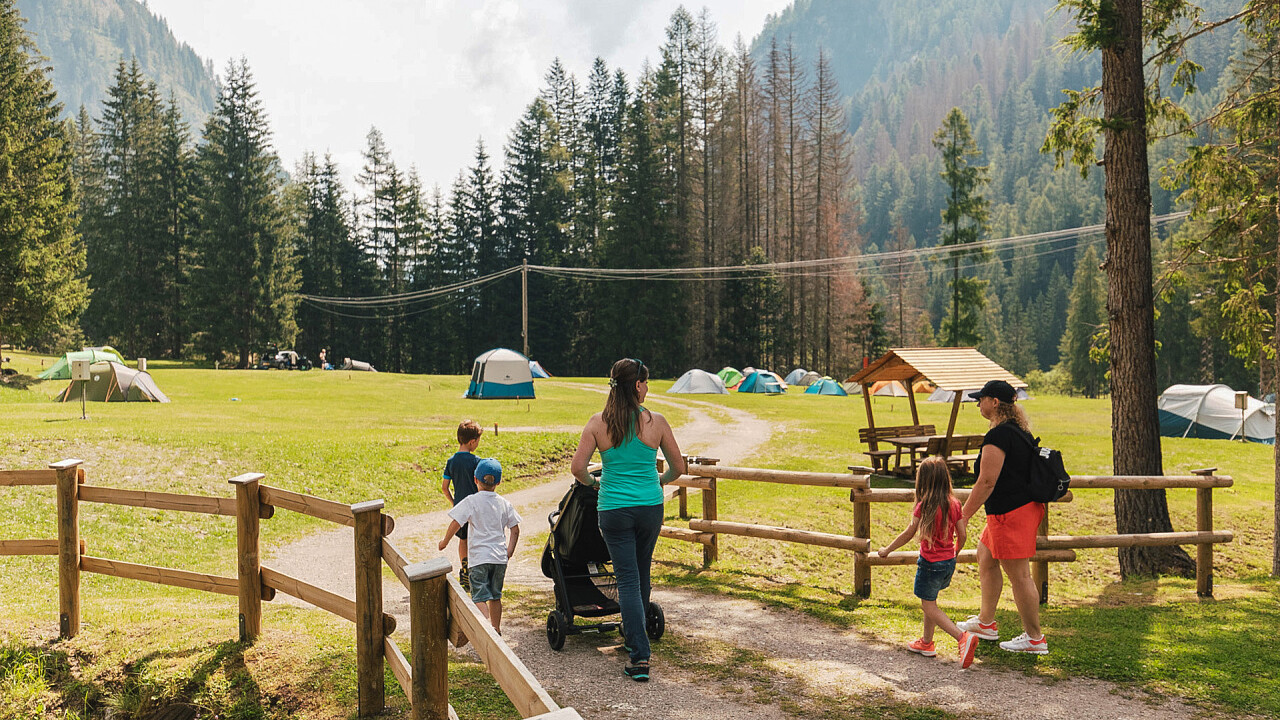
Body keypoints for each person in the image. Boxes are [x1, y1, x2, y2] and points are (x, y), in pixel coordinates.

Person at [570, 358, 686, 682]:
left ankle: (639, 653)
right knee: (641, 573)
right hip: (649, 507)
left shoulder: (598, 423)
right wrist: (659, 481)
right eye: (645, 382)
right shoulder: (656, 422)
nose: (647, 388)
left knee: (628, 580)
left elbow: (578, 468)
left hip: (614, 510)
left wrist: (595, 483)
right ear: (637, 386)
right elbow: (679, 467)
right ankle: (635, 642)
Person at [957, 379, 1049, 654]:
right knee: (985, 556)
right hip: (1013, 511)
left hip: (1011, 513)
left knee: (1019, 575)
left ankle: (1034, 638)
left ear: (995, 402)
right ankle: (986, 623)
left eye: (981, 399)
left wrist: (963, 515)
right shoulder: (1019, 432)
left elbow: (986, 481)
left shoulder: (998, 436)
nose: (978, 404)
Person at [878, 456, 978, 669]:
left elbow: (908, 533)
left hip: (930, 563)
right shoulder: (955, 503)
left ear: (922, 481)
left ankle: (962, 638)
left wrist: (887, 550)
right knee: (930, 601)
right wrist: (954, 553)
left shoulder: (924, 506)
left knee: (928, 605)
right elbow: (962, 534)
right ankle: (926, 642)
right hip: (948, 562)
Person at [438, 457, 521, 632]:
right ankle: (496, 629)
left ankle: (486, 633)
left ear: (475, 479)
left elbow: (456, 523)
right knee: (495, 596)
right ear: (498, 482)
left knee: (479, 597)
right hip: (499, 559)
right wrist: (509, 551)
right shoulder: (504, 503)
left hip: (479, 559)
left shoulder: (471, 501)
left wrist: (444, 541)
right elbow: (515, 530)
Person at [443, 420, 483, 591]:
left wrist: (454, 503)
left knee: (463, 539)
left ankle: (464, 569)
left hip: (461, 508)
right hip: (475, 508)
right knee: (476, 539)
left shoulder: (451, 461)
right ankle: (476, 570)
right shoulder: (477, 461)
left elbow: (444, 488)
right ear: (472, 441)